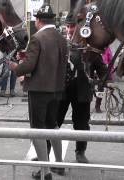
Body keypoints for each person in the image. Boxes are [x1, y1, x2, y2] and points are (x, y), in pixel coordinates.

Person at [9, 4, 67, 180]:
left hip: (39, 90)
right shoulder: (61, 38)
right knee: (53, 126)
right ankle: (59, 164)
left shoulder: (37, 38)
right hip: (56, 89)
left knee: (37, 129)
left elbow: (30, 66)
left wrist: (15, 67)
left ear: (39, 21)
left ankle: (45, 171)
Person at [49, 12, 107, 164]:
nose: (69, 29)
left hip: (82, 89)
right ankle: (45, 153)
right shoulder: (59, 43)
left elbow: (101, 69)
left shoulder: (89, 46)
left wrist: (105, 80)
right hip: (61, 90)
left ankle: (80, 152)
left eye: (73, 26)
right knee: (54, 122)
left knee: (81, 123)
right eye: (68, 26)